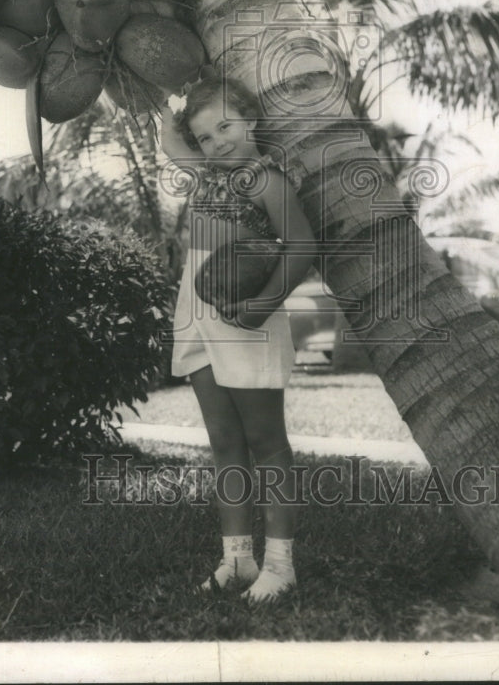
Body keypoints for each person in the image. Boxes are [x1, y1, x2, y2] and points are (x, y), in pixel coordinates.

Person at [159, 72, 317, 602]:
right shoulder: (205, 175)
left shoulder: (266, 178)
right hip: (196, 310)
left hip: (247, 311)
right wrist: (165, 96)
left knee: (266, 444)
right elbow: (168, 138)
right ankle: (238, 560)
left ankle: (281, 565)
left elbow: (302, 247)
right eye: (205, 136)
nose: (218, 141)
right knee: (225, 444)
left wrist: (263, 304)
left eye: (226, 125)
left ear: (250, 120)